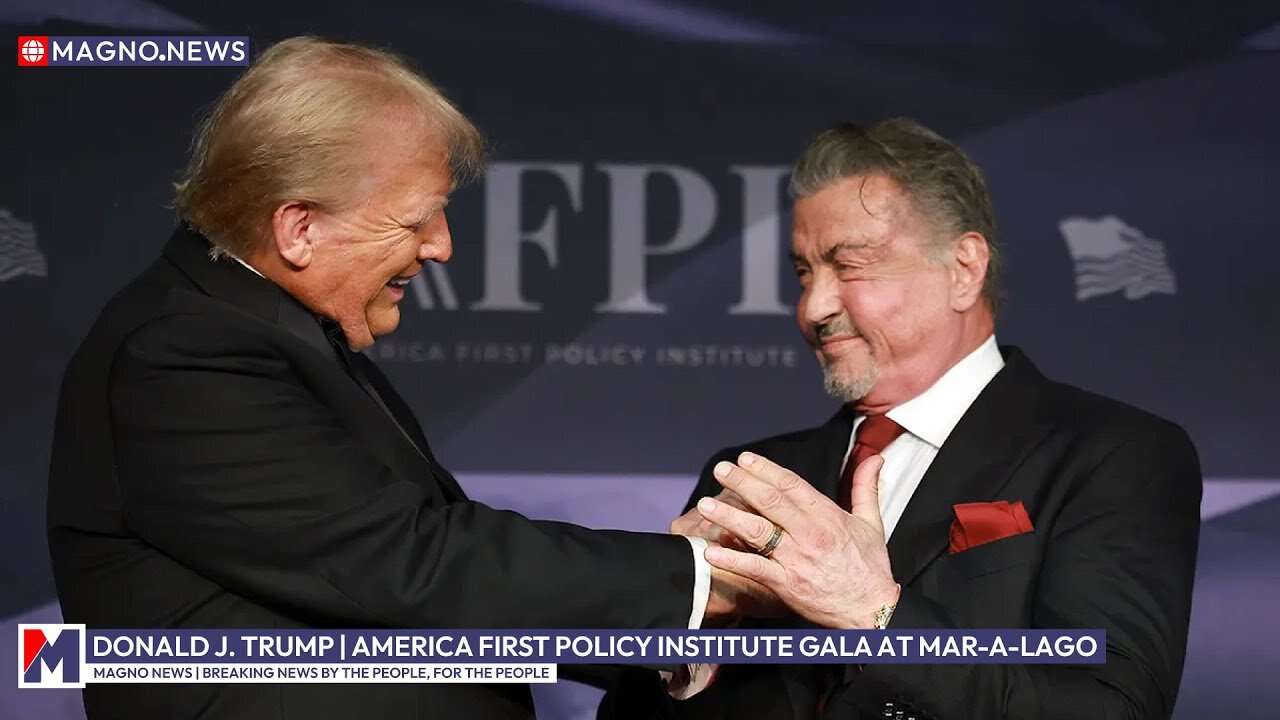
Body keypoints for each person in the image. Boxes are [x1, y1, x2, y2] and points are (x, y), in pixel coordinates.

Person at [46, 36, 758, 720]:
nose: (442, 246)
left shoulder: (268, 336)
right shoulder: (185, 354)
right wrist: (692, 581)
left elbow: (413, 591)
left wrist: (664, 632)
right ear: (299, 229)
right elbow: (411, 562)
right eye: (417, 219)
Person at [599, 119, 1202, 720]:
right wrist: (683, 643)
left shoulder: (1114, 456)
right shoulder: (753, 481)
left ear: (964, 269)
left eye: (851, 265)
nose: (814, 307)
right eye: (804, 272)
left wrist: (876, 613)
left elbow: (1107, 710)